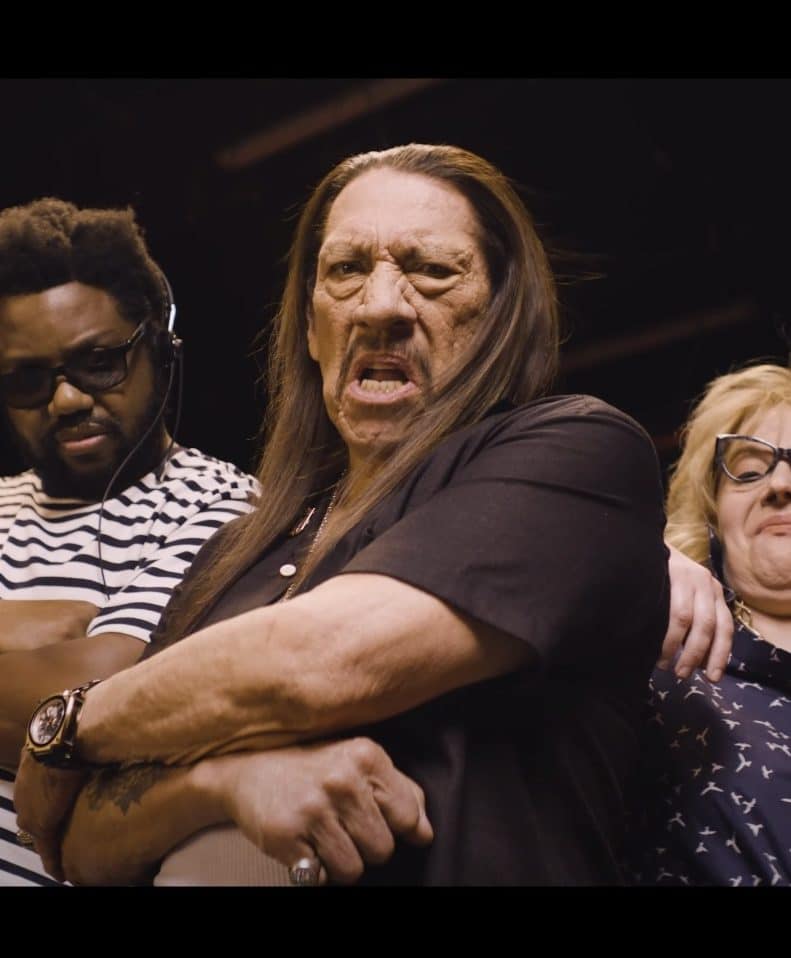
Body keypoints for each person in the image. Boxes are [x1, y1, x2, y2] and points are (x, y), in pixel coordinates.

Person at [15, 143, 676, 887]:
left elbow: (316, 665)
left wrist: (69, 725)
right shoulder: (236, 549)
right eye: (346, 270)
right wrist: (224, 785)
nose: (380, 306)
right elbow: (83, 843)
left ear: (500, 314)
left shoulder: (578, 448)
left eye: (433, 270)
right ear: (310, 325)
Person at [0, 198, 260, 886]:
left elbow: (107, 704)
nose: (65, 400)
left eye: (98, 362)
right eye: (27, 379)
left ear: (162, 350)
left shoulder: (225, 506)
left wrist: (71, 674)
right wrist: (52, 632)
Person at [631, 363, 791, 887]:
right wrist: (630, 565)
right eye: (749, 469)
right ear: (711, 513)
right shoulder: (652, 650)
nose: (781, 484)